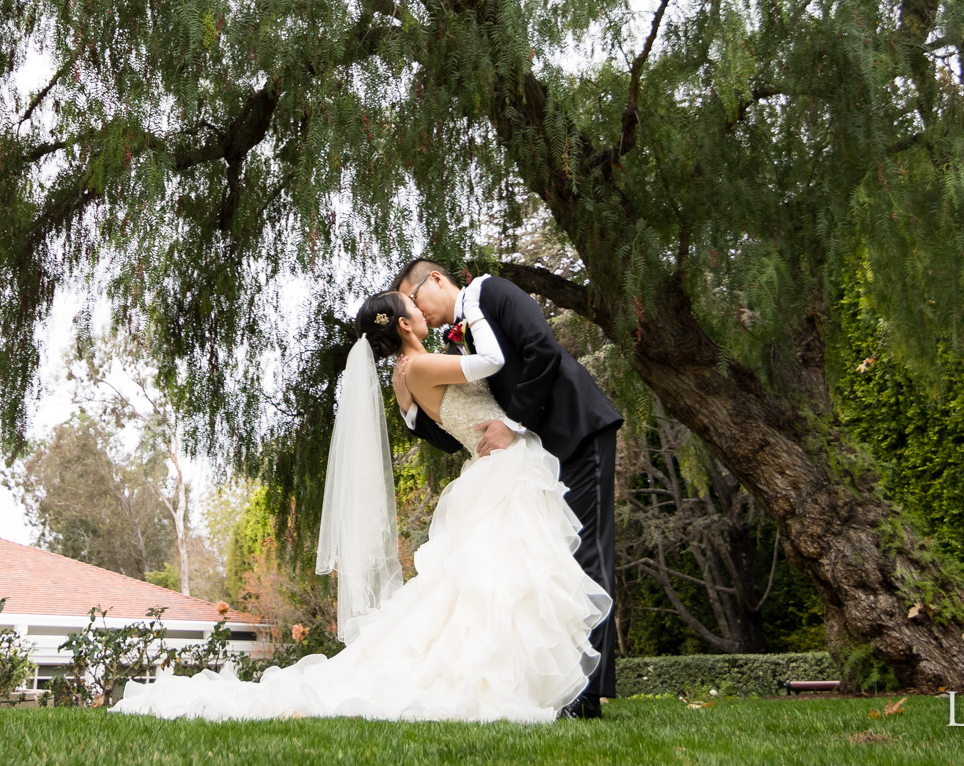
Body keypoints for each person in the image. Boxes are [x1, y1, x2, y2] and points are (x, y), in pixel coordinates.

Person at [111, 292, 610, 722]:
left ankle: (520, 676)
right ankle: (507, 677)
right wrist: (474, 313)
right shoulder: (422, 364)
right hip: (504, 470)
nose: (421, 309)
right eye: (414, 306)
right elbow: (493, 364)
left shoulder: (402, 374)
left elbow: (421, 422)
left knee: (493, 585)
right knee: (510, 581)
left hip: (491, 470)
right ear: (404, 323)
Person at [392, 259, 624, 718]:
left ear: (435, 280)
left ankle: (588, 694)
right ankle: (558, 683)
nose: (419, 312)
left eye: (414, 300)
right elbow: (461, 427)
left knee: (588, 555)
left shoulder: (493, 293)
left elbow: (542, 349)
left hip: (576, 430)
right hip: (536, 458)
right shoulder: (451, 340)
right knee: (551, 562)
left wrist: (513, 424)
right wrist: (411, 413)